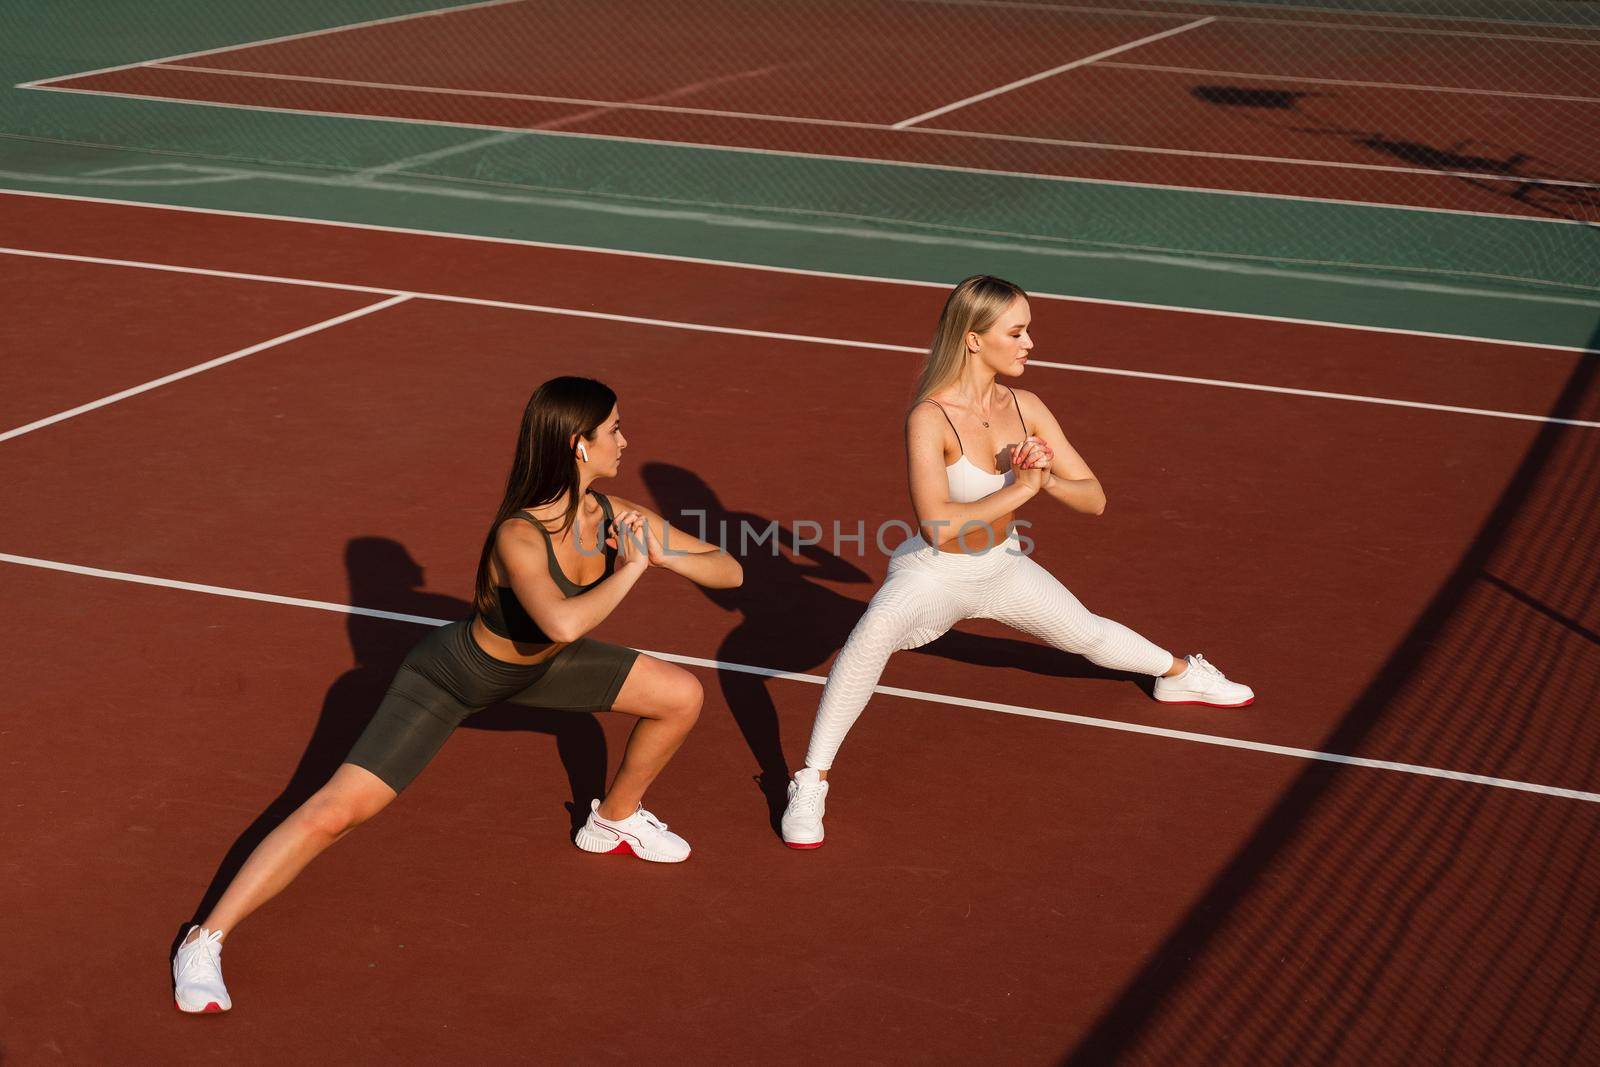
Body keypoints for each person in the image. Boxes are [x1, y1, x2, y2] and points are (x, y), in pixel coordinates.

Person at [173, 376, 741, 1012]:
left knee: (681, 695)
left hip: (545, 669)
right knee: (334, 813)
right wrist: (637, 565)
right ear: (578, 445)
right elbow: (562, 623)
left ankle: (612, 819)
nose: (624, 439)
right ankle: (204, 940)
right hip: (451, 677)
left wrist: (666, 553)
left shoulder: (614, 515)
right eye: (614, 428)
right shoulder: (518, 535)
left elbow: (730, 569)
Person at [780, 276, 1253, 849]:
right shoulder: (930, 417)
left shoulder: (1027, 406)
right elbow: (938, 524)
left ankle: (1178, 676)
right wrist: (1024, 490)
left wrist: (1046, 475)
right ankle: (810, 781)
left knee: (1087, 634)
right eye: (1018, 331)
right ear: (974, 339)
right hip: (935, 571)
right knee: (870, 636)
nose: (1030, 343)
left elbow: (1095, 499)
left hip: (1002, 566)